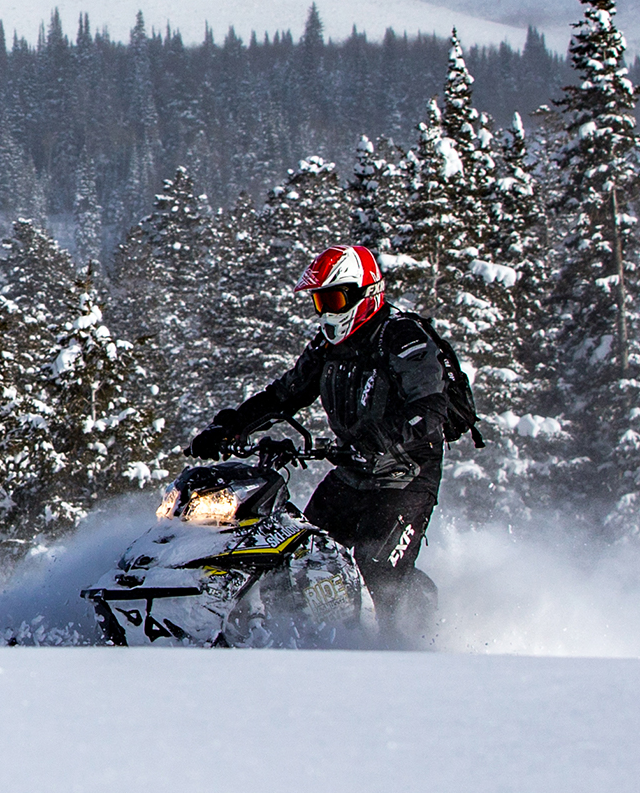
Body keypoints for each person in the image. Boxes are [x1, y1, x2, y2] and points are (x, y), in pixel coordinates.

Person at [187, 244, 452, 644]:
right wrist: (232, 426)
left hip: (407, 477)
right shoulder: (329, 346)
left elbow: (431, 409)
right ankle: (297, 640)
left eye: (335, 299)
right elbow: (285, 394)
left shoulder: (401, 338)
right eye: (320, 301)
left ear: (366, 292)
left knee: (376, 564)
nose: (327, 312)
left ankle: (406, 649)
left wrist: (377, 440)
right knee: (297, 555)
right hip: (353, 472)